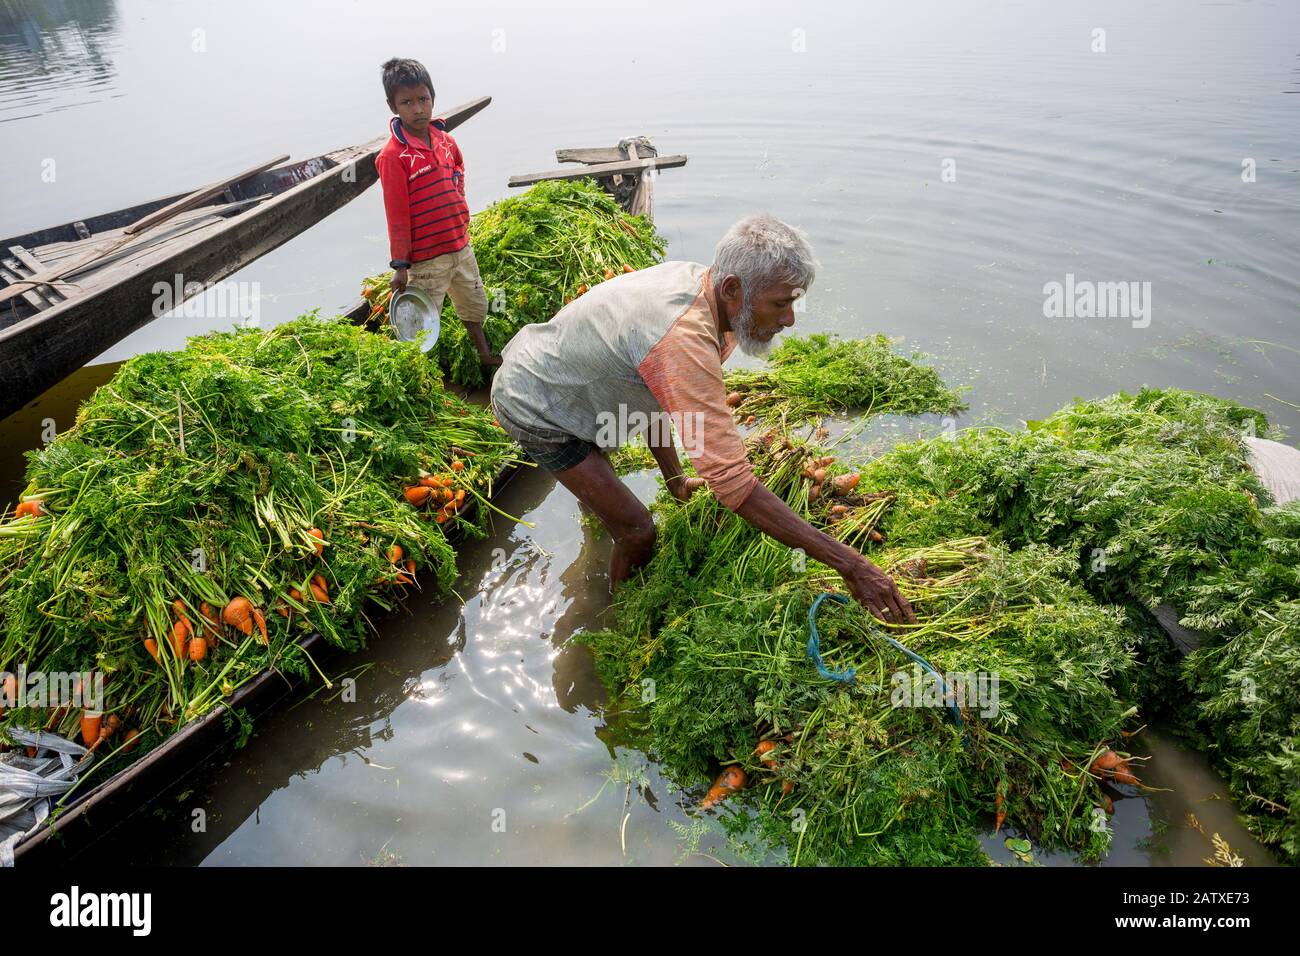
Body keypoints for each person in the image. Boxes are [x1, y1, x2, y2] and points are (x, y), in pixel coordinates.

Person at [489, 215, 916, 626]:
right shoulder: (682, 336)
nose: (789, 319)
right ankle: (615, 614)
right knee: (638, 530)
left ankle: (601, 525)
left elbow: (658, 393)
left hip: (580, 386)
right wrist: (852, 564)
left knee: (609, 502)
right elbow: (733, 486)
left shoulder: (711, 294)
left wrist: (676, 481)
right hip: (536, 403)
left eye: (794, 303)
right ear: (734, 288)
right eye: (781, 303)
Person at [375, 57, 499, 366]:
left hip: (461, 246)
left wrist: (459, 203)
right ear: (393, 106)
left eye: (423, 99)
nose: (417, 109)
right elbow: (397, 217)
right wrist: (400, 266)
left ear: (432, 98)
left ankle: (483, 354)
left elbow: (458, 166)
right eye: (407, 102)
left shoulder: (445, 140)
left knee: (474, 305)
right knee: (423, 321)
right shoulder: (393, 157)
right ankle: (423, 373)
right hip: (427, 258)